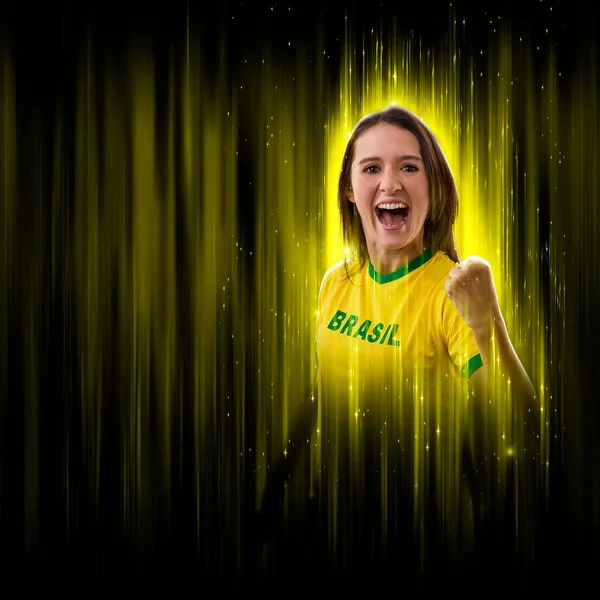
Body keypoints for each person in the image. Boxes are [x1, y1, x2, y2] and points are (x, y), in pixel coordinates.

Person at [254, 105, 539, 584]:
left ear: (434, 186)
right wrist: (278, 479)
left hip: (420, 537)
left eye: (409, 166)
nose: (391, 183)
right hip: (333, 526)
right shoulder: (335, 283)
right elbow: (325, 387)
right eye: (372, 168)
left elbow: (521, 422)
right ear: (350, 188)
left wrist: (488, 327)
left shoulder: (448, 293)